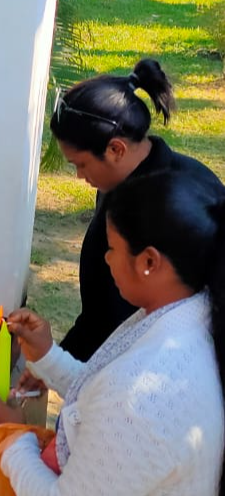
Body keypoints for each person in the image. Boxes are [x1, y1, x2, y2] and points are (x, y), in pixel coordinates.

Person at [0, 170, 225, 496]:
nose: (106, 259)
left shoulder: (145, 390)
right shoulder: (186, 314)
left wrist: (11, 438)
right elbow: (103, 401)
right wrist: (47, 356)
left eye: (111, 248)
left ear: (149, 262)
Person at [47, 56, 224, 362]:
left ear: (116, 149)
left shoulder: (179, 201)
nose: (78, 175)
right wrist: (55, 361)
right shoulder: (117, 183)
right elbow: (100, 312)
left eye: (81, 164)